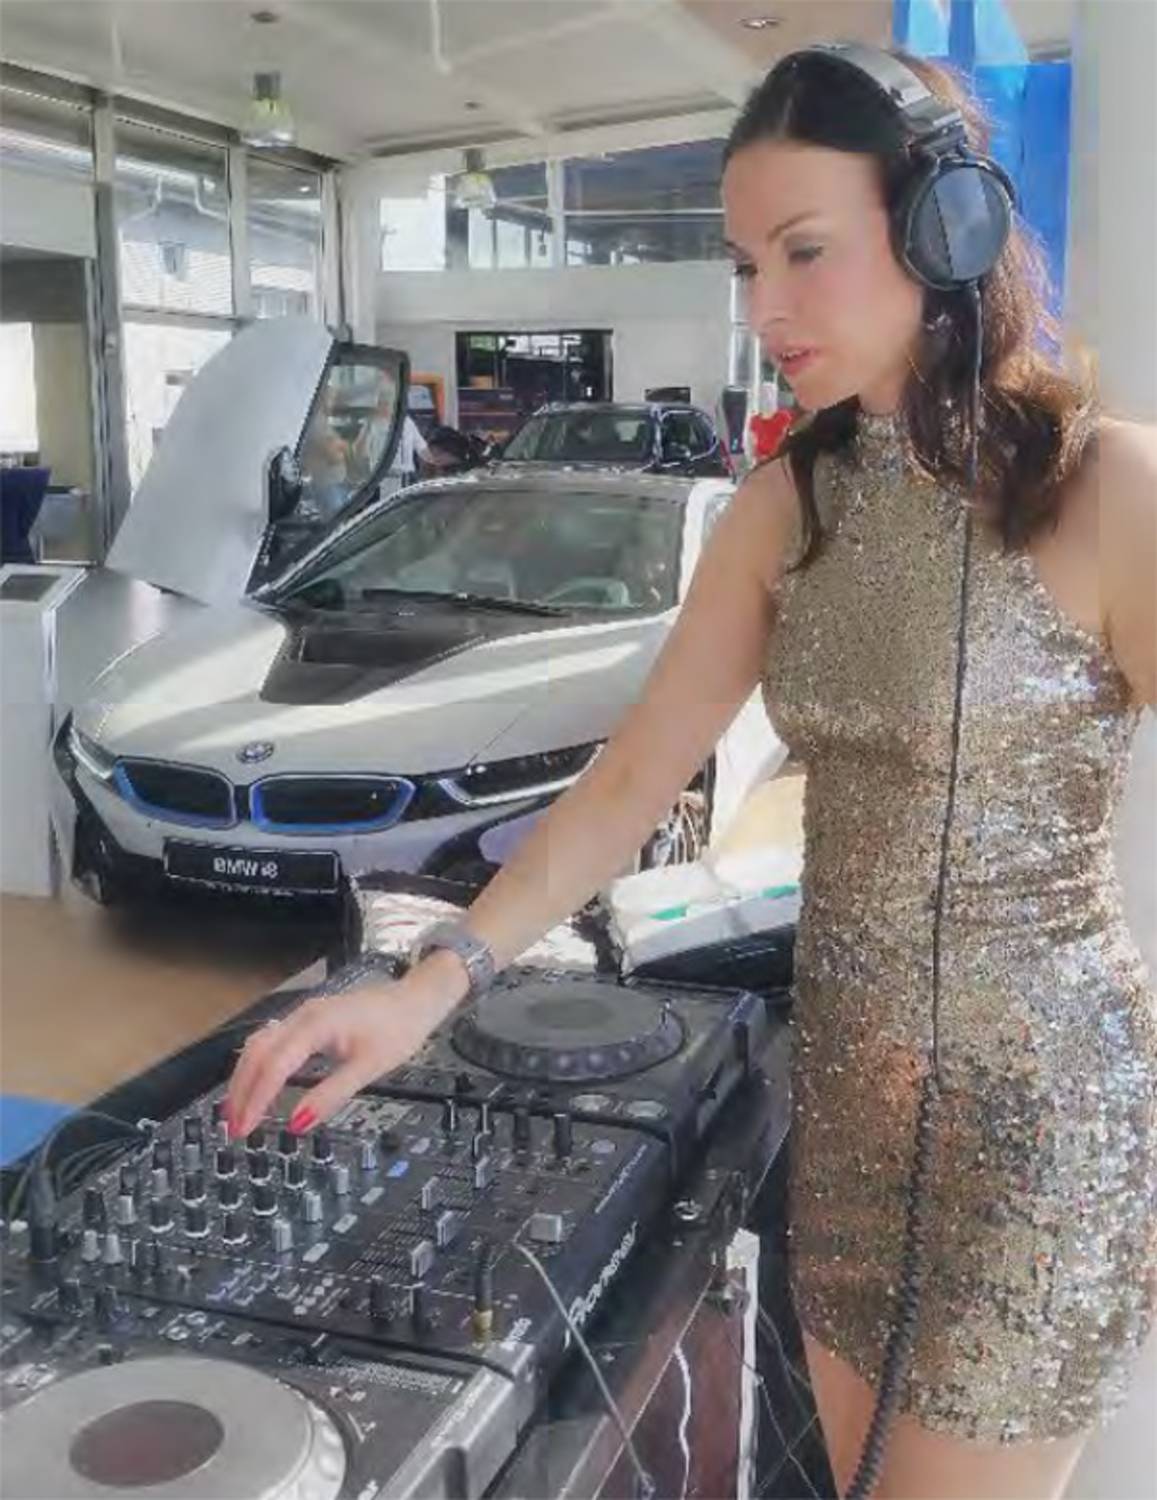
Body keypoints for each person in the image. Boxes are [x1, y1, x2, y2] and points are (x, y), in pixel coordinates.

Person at [225, 46, 1156, 1500]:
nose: (765, 308)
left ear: (946, 229)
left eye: (804, 251)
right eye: (744, 265)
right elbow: (625, 785)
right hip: (847, 1107)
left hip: (1038, 1131)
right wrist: (427, 985)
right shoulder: (784, 508)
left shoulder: (1107, 488)